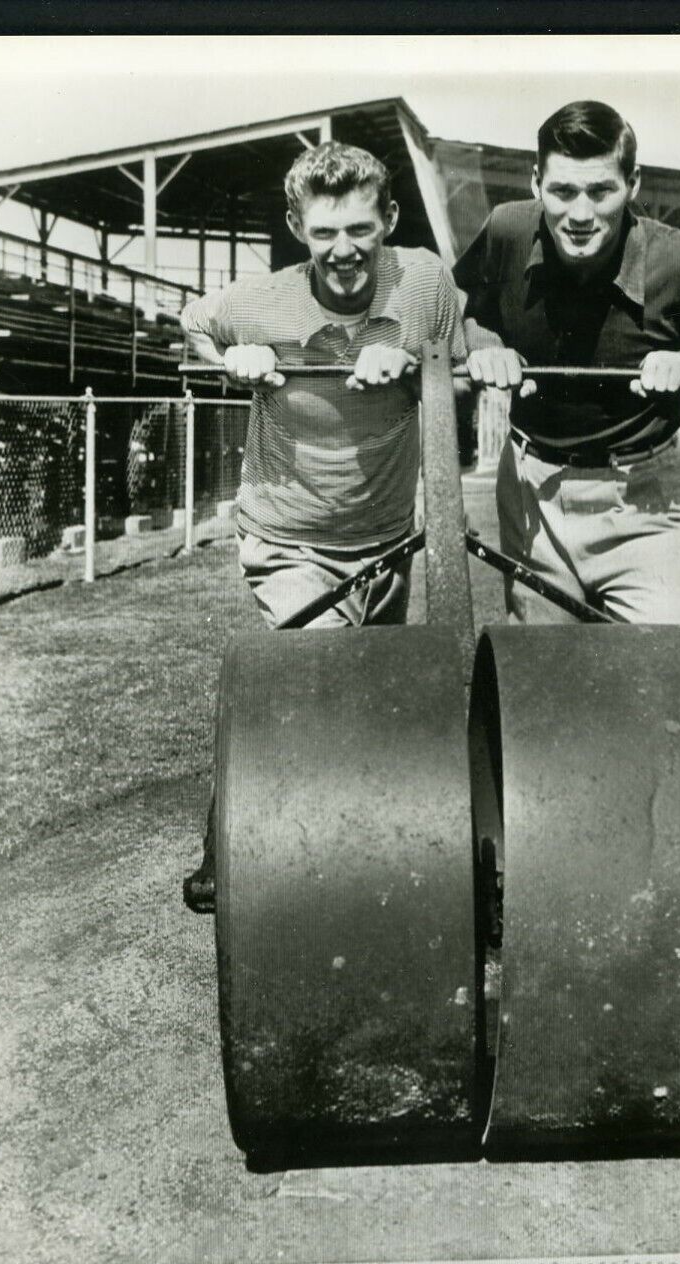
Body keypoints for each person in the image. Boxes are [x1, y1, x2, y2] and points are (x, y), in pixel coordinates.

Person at [179, 140, 467, 911]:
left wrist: (410, 362)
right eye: (323, 233)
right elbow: (190, 325)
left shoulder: (426, 284)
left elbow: (460, 362)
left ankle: (381, 856)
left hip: (392, 540)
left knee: (385, 697)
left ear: (391, 221)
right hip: (289, 539)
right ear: (296, 229)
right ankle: (243, 850)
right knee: (320, 688)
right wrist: (226, 361)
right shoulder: (258, 301)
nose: (343, 251)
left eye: (361, 230)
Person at [455, 100, 680, 625]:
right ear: (536, 182)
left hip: (648, 503)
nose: (581, 214)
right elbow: (475, 315)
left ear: (633, 183)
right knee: (543, 682)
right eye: (562, 191)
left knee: (663, 677)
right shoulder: (506, 230)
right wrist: (486, 347)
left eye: (601, 191)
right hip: (533, 495)